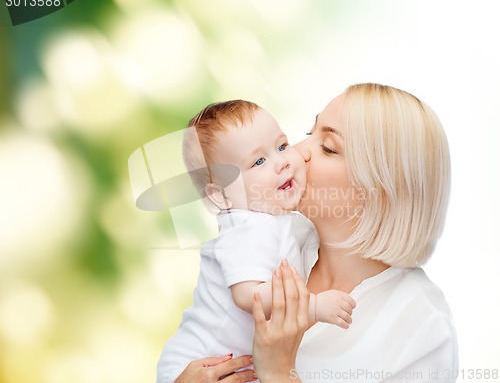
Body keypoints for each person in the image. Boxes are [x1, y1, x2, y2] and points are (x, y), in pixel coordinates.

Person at [175, 83, 459, 383]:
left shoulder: (423, 327)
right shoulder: (276, 240)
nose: (298, 152)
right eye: (310, 133)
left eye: (328, 147)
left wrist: (279, 372)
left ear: (384, 188)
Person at [157, 100, 356, 383]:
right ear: (222, 196)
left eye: (282, 146)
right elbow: (248, 295)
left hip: (236, 366)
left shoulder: (280, 218)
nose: (282, 162)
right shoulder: (249, 227)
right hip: (197, 364)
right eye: (258, 161)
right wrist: (314, 307)